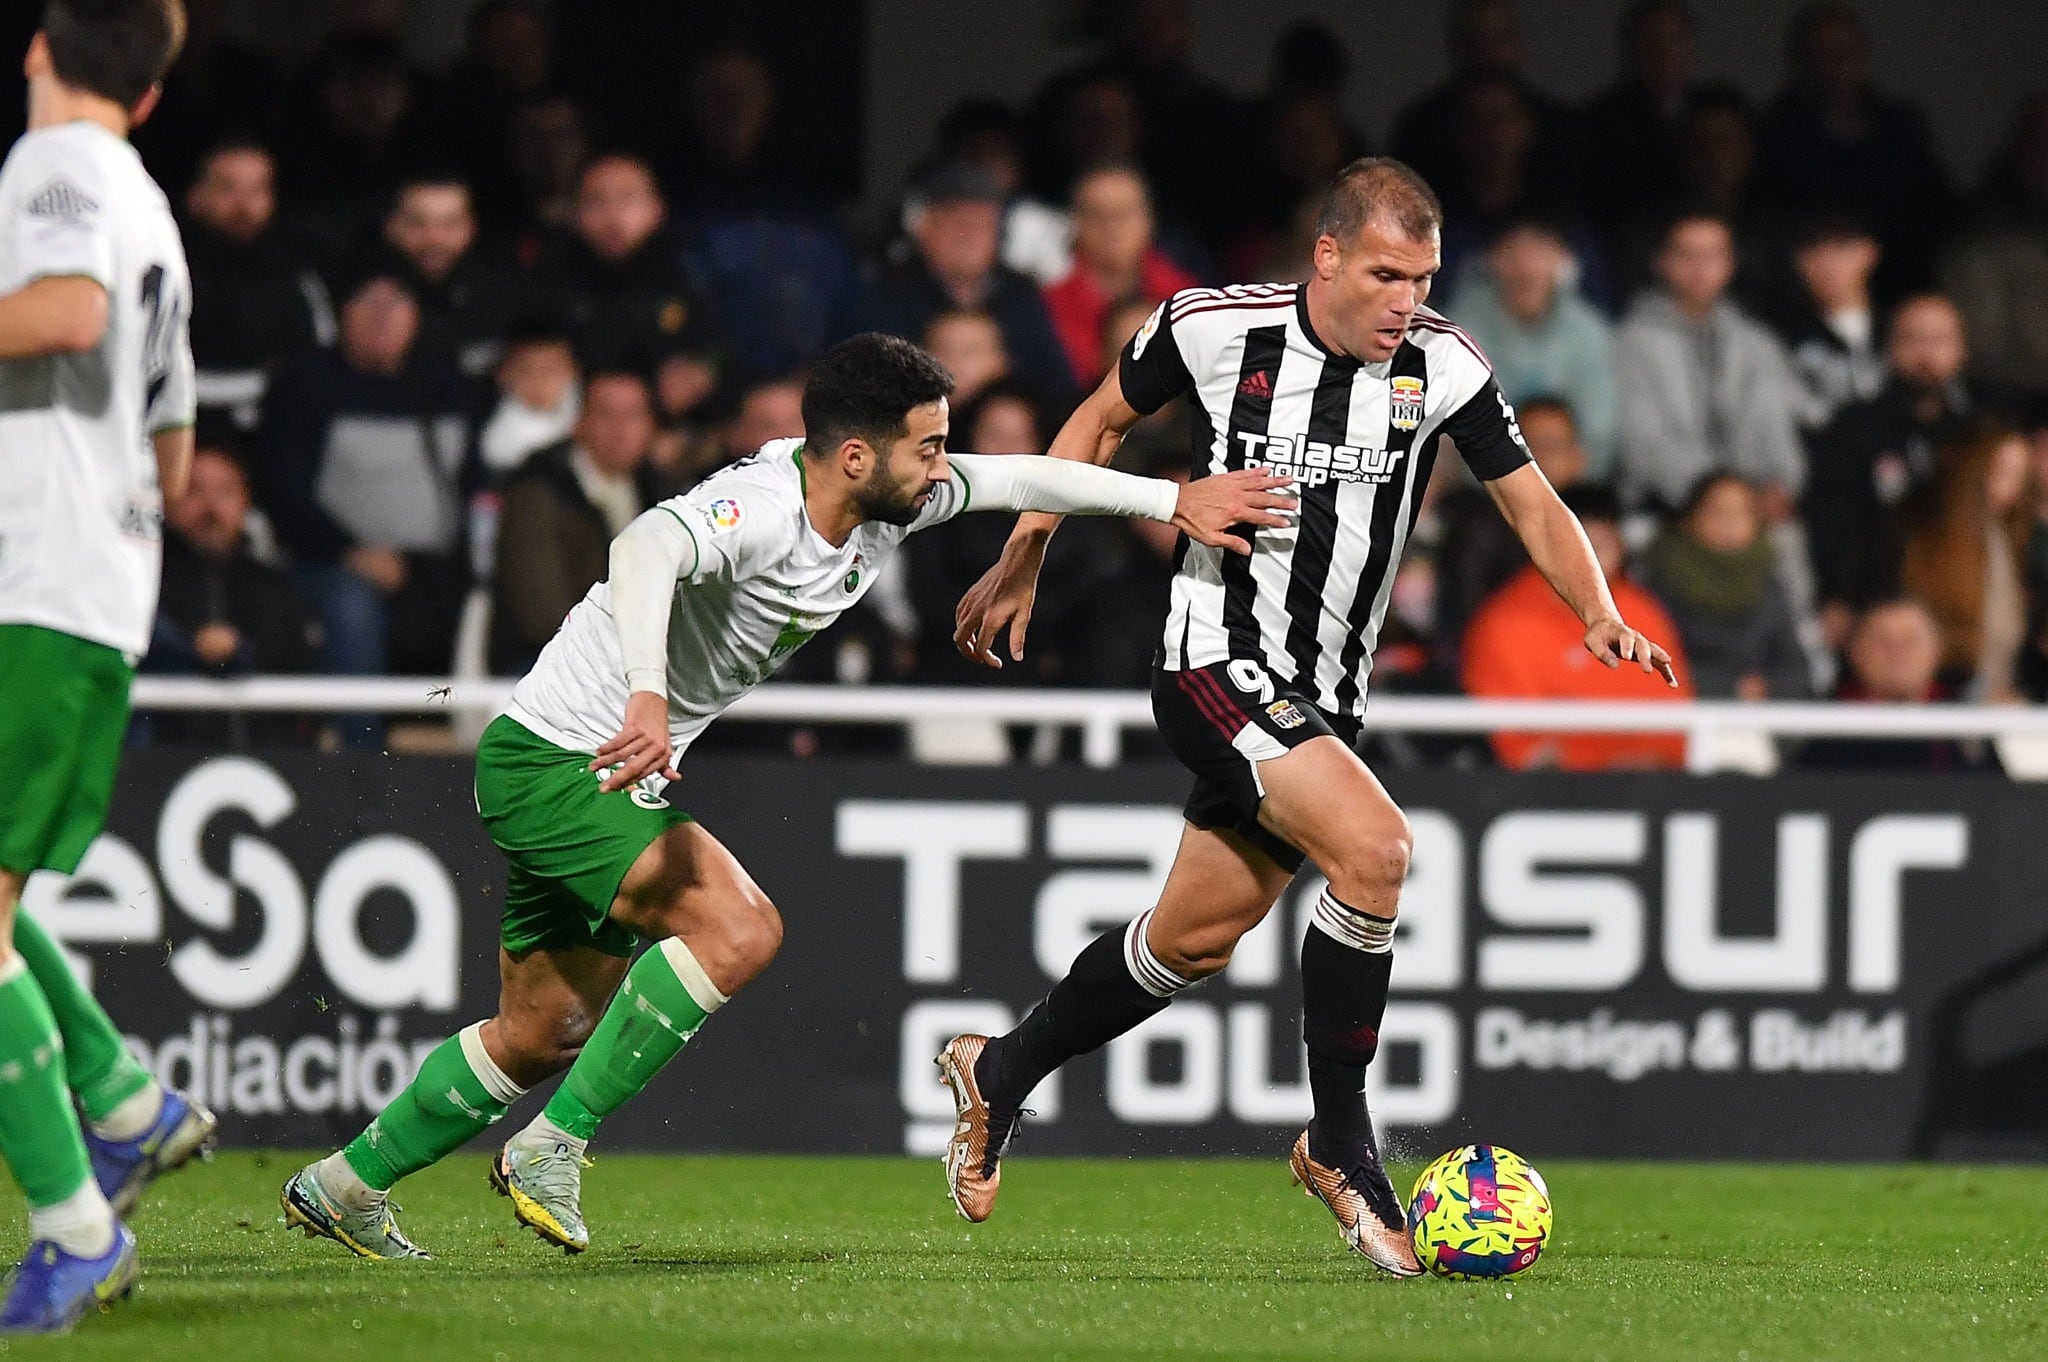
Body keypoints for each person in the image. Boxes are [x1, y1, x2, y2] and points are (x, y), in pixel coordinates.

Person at [277, 332, 1291, 1260]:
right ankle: (552, 1148)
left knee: (539, 1034)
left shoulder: (886, 500)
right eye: (927, 449)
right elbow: (643, 551)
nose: (944, 468)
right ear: (854, 455)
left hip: (591, 769)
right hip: (563, 760)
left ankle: (344, 1185)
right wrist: (644, 693)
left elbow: (1016, 475)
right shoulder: (759, 509)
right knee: (741, 928)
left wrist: (1170, 503)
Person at [938, 159, 1675, 1276]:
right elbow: (1094, 422)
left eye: (1422, 279)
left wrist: (1597, 610)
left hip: (1321, 697)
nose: (1404, 302)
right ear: (1324, 256)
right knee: (1376, 851)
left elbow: (1530, 498)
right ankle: (1340, 1146)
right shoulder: (1207, 327)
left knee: (1188, 941)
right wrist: (1024, 552)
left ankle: (998, 1071)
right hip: (1209, 659)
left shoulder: (1443, 365)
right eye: (1384, 274)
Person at [0, 0, 218, 1332]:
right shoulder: (148, 201)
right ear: (147, 95)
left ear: (37, 48)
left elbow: (68, 313)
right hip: (94, 586)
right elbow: (178, 452)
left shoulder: (54, 165)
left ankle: (76, 1224)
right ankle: (125, 1102)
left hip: (36, 583)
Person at [255, 270, 474, 731]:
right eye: (368, 303)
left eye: (396, 303)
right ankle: (361, 765)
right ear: (341, 313)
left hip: (435, 567)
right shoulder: (305, 384)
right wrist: (347, 551)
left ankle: (471, 756)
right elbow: (283, 489)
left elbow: (472, 485)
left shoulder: (444, 385)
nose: (382, 318)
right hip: (332, 562)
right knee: (352, 605)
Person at [1462, 483, 1694, 768]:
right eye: (1582, 546)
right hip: (1544, 793)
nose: (1592, 560)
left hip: (1645, 786)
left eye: (1602, 545)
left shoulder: (1643, 614)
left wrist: (1642, 761)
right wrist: (1594, 762)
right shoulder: (1506, 621)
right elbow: (1516, 743)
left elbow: (1672, 722)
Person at [1613, 213, 1805, 518]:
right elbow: (1640, 441)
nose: (1700, 268)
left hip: (1754, 508)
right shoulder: (1629, 342)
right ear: (1660, 261)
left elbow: (1779, 423)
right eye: (1686, 255)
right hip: (1664, 509)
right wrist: (1715, 495)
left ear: (1731, 264)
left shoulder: (1755, 341)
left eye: (1713, 255)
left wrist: (1778, 484)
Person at [1804, 294, 1977, 622]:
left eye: (1939, 340)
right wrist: (1833, 595)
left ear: (1962, 349)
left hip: (1962, 605)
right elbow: (1829, 520)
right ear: (1889, 347)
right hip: (1875, 608)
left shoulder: (1977, 434)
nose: (1925, 354)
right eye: (1911, 339)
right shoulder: (1852, 427)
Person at [489, 370, 671, 675]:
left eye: (633, 415)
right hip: (547, 668)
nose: (620, 429)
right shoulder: (537, 489)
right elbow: (541, 615)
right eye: (607, 414)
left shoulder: (660, 492)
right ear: (580, 421)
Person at [146, 438, 321, 745]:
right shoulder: (146, 581)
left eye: (225, 492)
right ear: (167, 498)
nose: (210, 507)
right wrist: (190, 650)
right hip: (160, 765)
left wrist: (240, 653)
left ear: (246, 501)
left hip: (266, 768)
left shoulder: (275, 586)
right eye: (195, 490)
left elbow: (303, 676)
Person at [859, 161, 1072, 409]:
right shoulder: (889, 293)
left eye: (983, 225)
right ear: (924, 228)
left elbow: (1056, 386)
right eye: (958, 223)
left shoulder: (1021, 295)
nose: (970, 236)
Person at [179, 137, 333, 433]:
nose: (244, 205)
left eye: (257, 190)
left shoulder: (295, 276)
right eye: (228, 189)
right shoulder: (166, 271)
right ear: (196, 196)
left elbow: (320, 359)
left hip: (273, 431)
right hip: (172, 428)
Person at [1442, 219, 1616, 474]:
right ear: (1490, 259)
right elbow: (1451, 430)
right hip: (1484, 485)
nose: (1524, 266)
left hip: (1572, 483)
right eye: (1511, 251)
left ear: (1562, 259)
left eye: (1537, 251)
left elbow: (1599, 433)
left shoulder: (1589, 329)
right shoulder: (1459, 328)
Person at [1640, 473, 1809, 700]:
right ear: (1690, 519)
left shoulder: (1768, 586)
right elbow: (1650, 664)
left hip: (1757, 719)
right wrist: (1729, 688)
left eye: (1741, 513)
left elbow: (1794, 668)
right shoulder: (1660, 583)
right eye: (1716, 511)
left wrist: (1768, 687)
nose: (1728, 523)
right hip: (1681, 715)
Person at [1897, 425, 2032, 701]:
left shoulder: (2007, 544)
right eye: (2001, 471)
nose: (2009, 489)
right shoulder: (1931, 541)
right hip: (1945, 700)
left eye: (2019, 477)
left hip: (2000, 697)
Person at [1041, 164, 1196, 389]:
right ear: (1075, 224)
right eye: (1097, 215)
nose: (1112, 227)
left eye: (1124, 213)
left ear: (1149, 219)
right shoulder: (1049, 307)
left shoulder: (1184, 296)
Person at [1797, 598, 1994, 772]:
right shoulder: (1821, 729)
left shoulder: (1971, 729)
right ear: (1854, 650)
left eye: (1911, 640)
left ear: (1937, 648)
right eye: (1882, 640)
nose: (1897, 653)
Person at [1774, 216, 1886, 430]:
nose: (1828, 261)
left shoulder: (1898, 329)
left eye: (1842, 247)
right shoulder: (1780, 340)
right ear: (1798, 261)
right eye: (1814, 249)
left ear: (1870, 252)